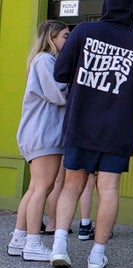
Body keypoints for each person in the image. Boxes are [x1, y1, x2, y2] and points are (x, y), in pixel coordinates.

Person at [49, 0, 133, 267]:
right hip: (119, 130)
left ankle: (59, 247)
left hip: (81, 123)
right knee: (108, 189)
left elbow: (60, 72)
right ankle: (97, 256)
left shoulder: (83, 32)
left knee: (72, 185)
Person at [7, 20, 69, 262]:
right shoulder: (46, 60)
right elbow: (59, 94)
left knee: (35, 188)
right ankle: (33, 242)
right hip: (45, 133)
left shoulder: (40, 60)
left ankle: (19, 239)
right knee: (42, 188)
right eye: (65, 36)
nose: (68, 40)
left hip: (37, 133)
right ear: (51, 37)